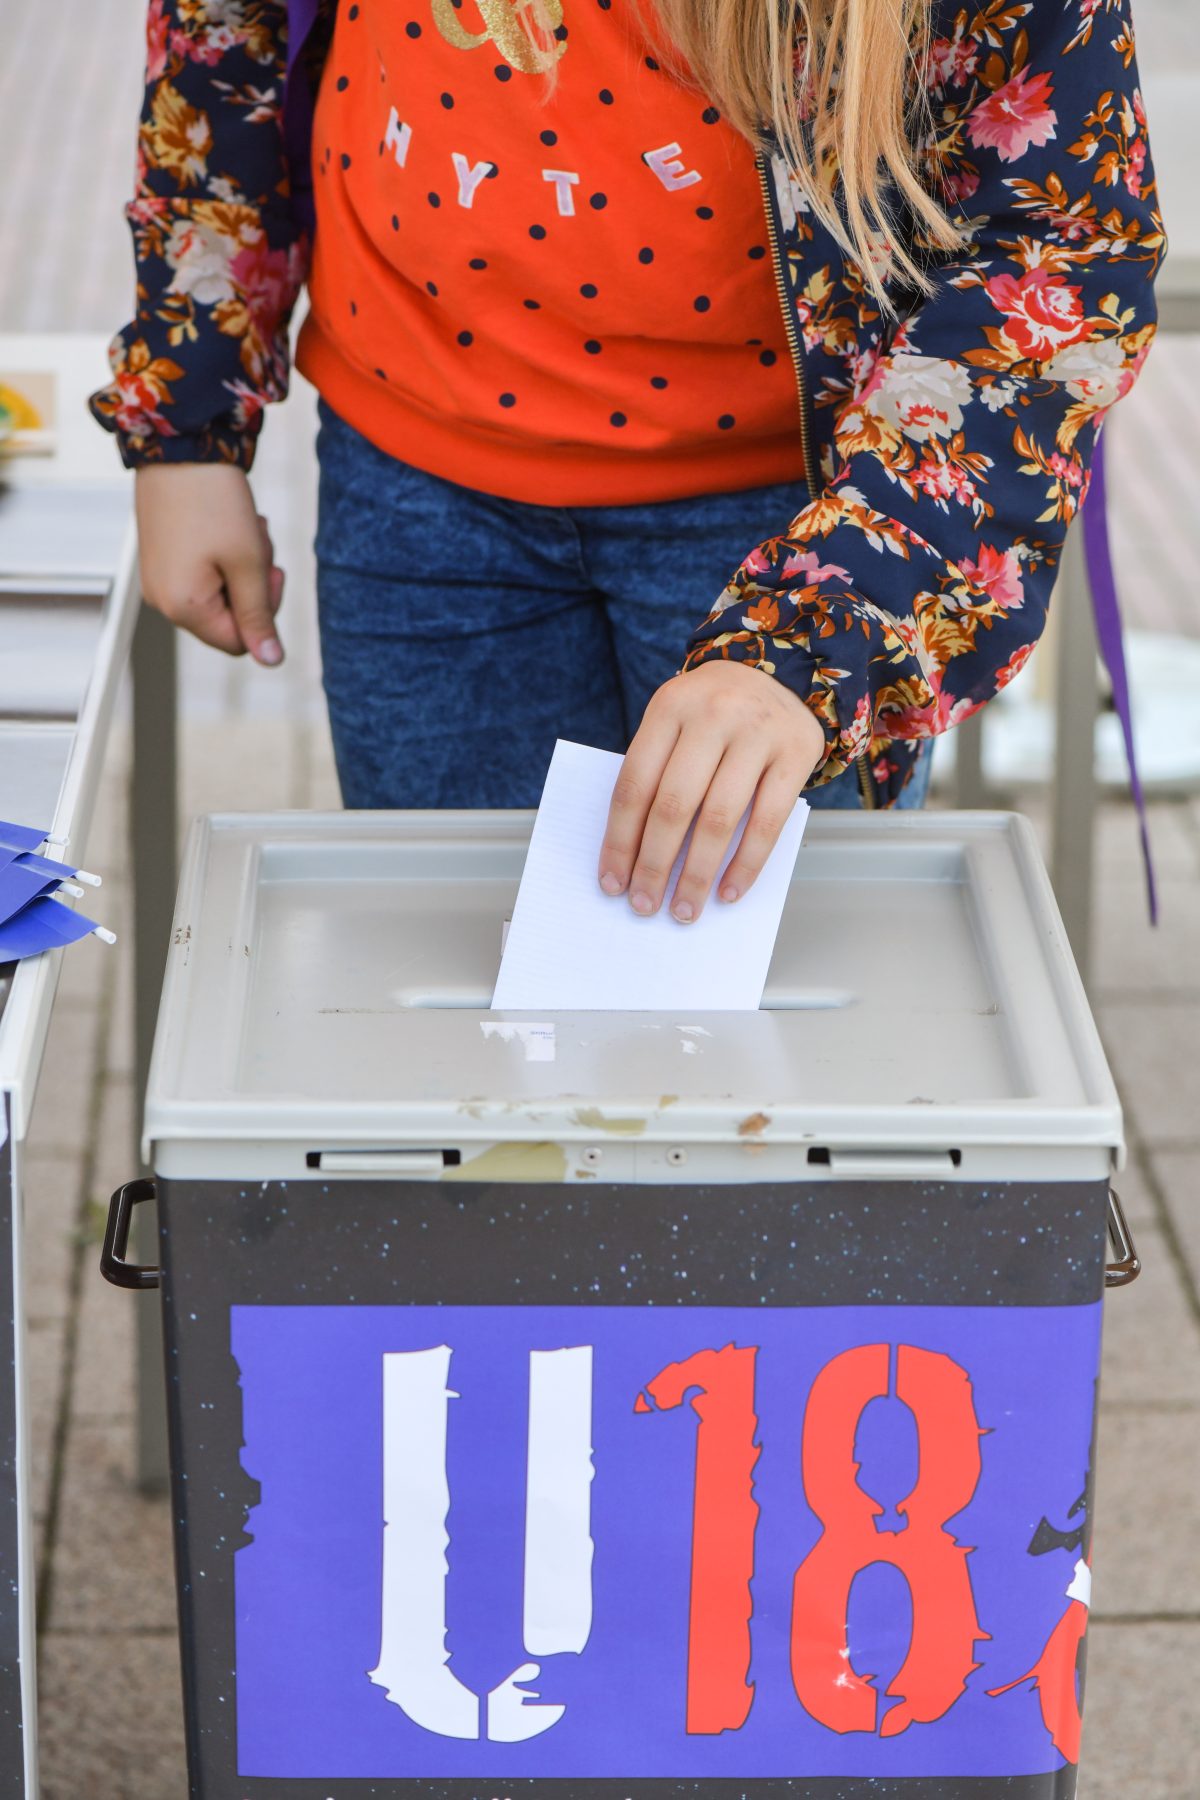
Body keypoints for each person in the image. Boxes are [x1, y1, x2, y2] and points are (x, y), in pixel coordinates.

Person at [93, 0, 1163, 924]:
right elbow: (220, 33)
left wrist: (828, 626)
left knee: (765, 1067)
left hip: (789, 521)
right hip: (416, 478)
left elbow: (1059, 246)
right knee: (457, 1038)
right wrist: (185, 418)